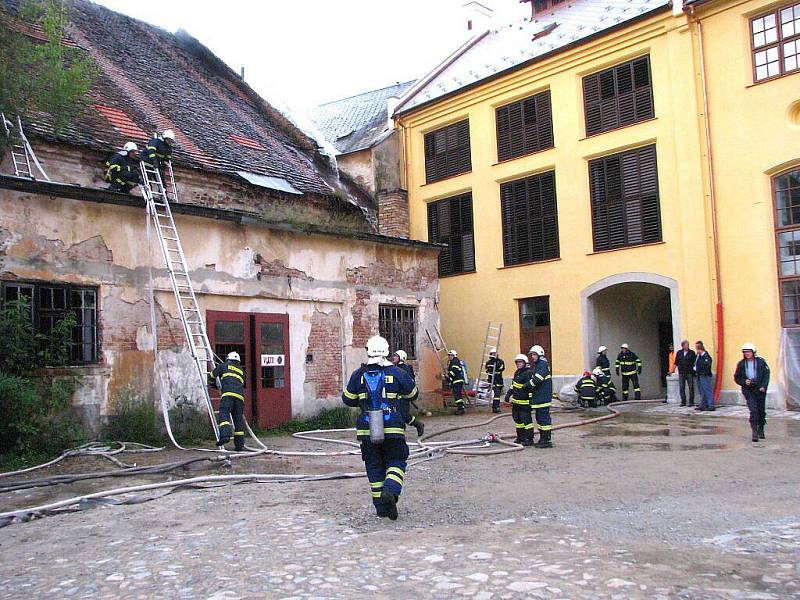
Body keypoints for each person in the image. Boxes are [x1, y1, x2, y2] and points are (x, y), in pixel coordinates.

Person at [342, 335, 420, 520]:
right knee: (396, 460)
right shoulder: (398, 373)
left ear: (368, 351)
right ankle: (391, 491)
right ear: (386, 352)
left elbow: (347, 399)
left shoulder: (358, 375)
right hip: (393, 427)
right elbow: (413, 394)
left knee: (374, 467)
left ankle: (381, 508)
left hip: (367, 430)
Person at [210, 351, 247, 451]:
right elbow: (242, 382)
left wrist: (213, 382)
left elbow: (212, 375)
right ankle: (239, 446)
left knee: (224, 413)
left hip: (228, 395)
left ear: (228, 359)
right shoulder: (241, 371)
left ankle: (225, 436)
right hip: (239, 398)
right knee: (238, 420)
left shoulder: (223, 365)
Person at [734, 342, 770, 442]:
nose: (747, 354)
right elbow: (737, 377)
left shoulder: (761, 362)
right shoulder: (741, 364)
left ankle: (761, 428)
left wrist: (763, 386)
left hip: (760, 389)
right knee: (753, 410)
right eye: (745, 352)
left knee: (761, 411)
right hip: (748, 390)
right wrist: (744, 381)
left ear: (753, 352)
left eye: (749, 352)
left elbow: (766, 375)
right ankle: (754, 431)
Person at [528, 345, 553, 448]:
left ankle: (546, 440)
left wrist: (527, 386)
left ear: (539, 354)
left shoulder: (542, 364)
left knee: (543, 419)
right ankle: (543, 438)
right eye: (532, 355)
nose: (532, 357)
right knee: (540, 418)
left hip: (543, 397)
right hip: (540, 397)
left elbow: (538, 379)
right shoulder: (539, 364)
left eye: (534, 354)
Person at [506, 354, 534, 446]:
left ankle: (529, 439)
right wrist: (508, 394)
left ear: (525, 363)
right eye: (517, 362)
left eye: (520, 362)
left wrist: (531, 400)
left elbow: (530, 388)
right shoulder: (517, 372)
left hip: (525, 402)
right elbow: (513, 385)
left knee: (527, 421)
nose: (518, 364)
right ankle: (520, 437)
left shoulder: (528, 373)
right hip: (516, 402)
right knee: (518, 421)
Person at [674, 340, 697, 407]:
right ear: (683, 346)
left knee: (691, 387)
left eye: (688, 345)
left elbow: (694, 363)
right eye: (686, 345)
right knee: (681, 387)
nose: (687, 346)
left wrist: (695, 371)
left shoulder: (692, 353)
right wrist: (672, 370)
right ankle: (683, 401)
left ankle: (691, 402)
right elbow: (676, 362)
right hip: (681, 372)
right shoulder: (679, 353)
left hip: (689, 372)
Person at [694, 341, 714, 412]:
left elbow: (706, 366)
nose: (696, 350)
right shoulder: (698, 356)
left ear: (700, 348)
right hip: (699, 375)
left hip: (705, 375)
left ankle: (711, 405)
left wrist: (700, 370)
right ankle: (703, 404)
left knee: (707, 390)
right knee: (702, 391)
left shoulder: (706, 356)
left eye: (697, 348)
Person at [485, 348, 505, 413]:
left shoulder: (500, 361)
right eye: (492, 354)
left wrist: (494, 368)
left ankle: (495, 407)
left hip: (499, 381)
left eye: (495, 354)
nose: (494, 355)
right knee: (496, 394)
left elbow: (501, 368)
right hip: (492, 381)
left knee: (497, 395)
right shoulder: (488, 362)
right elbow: (488, 370)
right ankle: (496, 407)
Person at [447, 349, 466, 415]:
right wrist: (448, 378)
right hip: (456, 380)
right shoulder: (452, 362)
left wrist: (449, 375)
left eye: (450, 355)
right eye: (448, 355)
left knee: (457, 395)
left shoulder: (455, 361)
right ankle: (461, 408)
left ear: (454, 355)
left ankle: (460, 409)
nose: (449, 356)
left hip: (457, 381)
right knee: (457, 395)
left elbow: (454, 370)